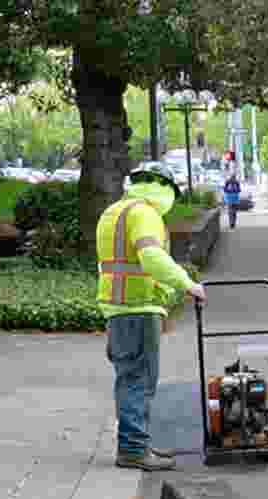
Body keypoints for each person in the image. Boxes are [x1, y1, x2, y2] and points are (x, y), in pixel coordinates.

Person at [98, 163, 206, 471]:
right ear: (165, 189)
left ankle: (135, 443)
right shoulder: (144, 214)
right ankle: (133, 449)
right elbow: (151, 257)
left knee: (129, 377)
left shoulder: (113, 212)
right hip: (138, 308)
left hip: (118, 307)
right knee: (139, 380)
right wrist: (187, 284)